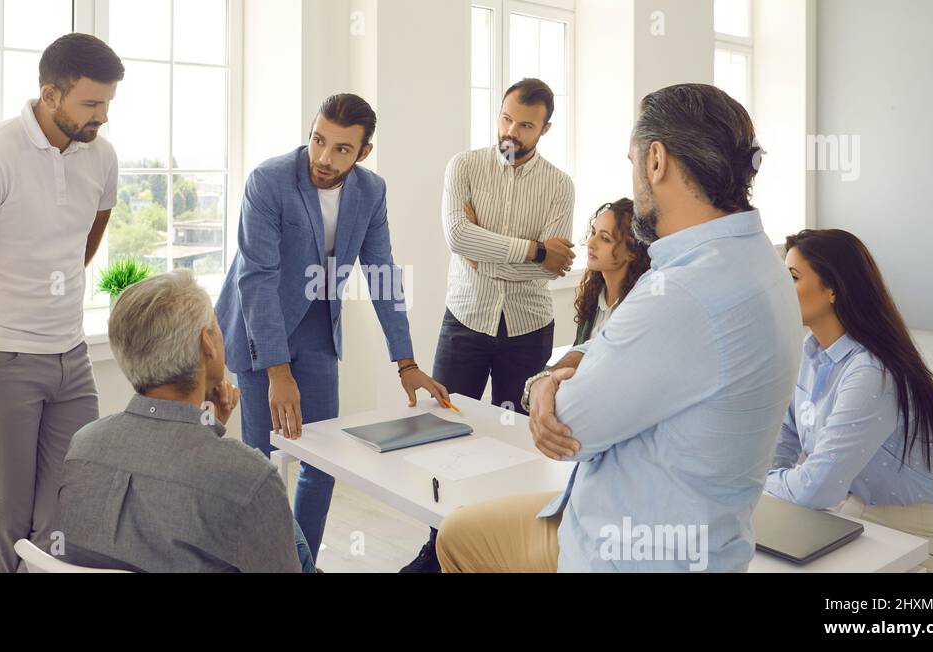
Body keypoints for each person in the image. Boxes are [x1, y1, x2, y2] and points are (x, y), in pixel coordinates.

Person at [436, 83, 802, 572]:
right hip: (702, 538)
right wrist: (569, 361)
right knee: (460, 533)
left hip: (622, 551)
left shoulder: (680, 293)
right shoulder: (760, 262)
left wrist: (548, 382)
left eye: (632, 163)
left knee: (459, 541)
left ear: (656, 161)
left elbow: (567, 428)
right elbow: (607, 346)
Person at [215, 93, 449, 563]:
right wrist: (277, 372)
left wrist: (406, 363)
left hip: (319, 331)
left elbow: (381, 273)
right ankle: (262, 563)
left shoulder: (370, 191)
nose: (324, 157)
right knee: (262, 467)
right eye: (319, 140)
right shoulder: (268, 180)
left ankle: (298, 562)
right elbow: (257, 279)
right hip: (261, 334)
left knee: (322, 462)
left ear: (362, 152)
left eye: (341, 148)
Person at [0, 33, 124, 572]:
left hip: (72, 357)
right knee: (8, 515)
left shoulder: (102, 158)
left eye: (107, 103)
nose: (101, 116)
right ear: (51, 94)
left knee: (63, 507)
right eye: (91, 103)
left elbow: (81, 247)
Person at [404, 78, 575, 573]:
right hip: (466, 319)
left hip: (528, 327)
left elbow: (556, 266)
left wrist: (486, 248)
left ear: (545, 128)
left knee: (516, 440)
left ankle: (503, 551)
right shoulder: (465, 166)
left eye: (525, 124)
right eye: (506, 118)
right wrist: (532, 248)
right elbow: (457, 234)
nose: (512, 131)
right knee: (442, 431)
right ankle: (436, 547)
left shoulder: (559, 185)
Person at [58, 270, 315, 573]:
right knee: (292, 534)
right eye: (218, 327)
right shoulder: (251, 478)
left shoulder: (83, 446)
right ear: (207, 342)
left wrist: (205, 427)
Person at [769, 229, 933, 572]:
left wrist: (758, 483)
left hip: (913, 547)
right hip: (843, 523)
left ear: (832, 290)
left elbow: (817, 489)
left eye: (792, 277)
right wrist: (769, 479)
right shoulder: (806, 355)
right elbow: (780, 444)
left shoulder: (872, 372)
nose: (781, 288)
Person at [522, 198, 649, 393]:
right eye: (593, 233)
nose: (591, 243)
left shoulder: (639, 307)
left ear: (632, 253)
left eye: (605, 238)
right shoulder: (595, 295)